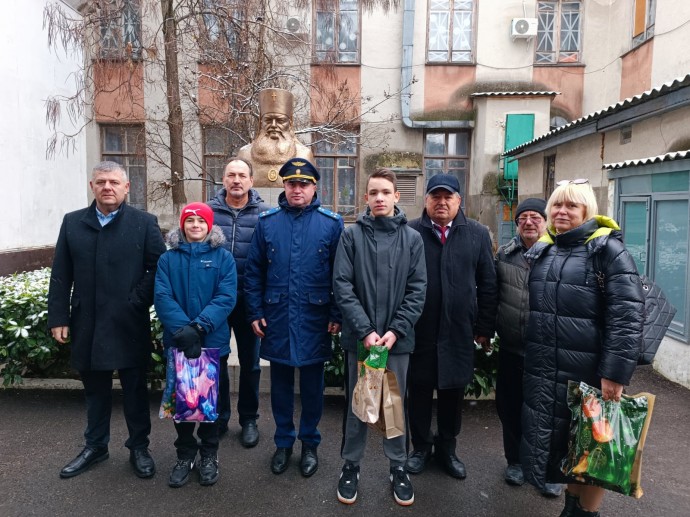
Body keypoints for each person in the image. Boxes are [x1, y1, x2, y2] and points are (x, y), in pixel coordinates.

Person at [522, 180, 645, 517]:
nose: (562, 211)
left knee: (595, 448)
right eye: (557, 205)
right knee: (569, 447)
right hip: (549, 371)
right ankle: (571, 508)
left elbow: (627, 315)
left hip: (590, 374)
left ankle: (587, 513)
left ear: (587, 210)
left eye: (571, 206)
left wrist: (614, 374)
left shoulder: (606, 251)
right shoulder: (547, 249)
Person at [48, 161, 166, 479]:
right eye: (101, 182)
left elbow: (158, 268)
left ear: (127, 187)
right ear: (92, 187)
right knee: (95, 390)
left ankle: (139, 447)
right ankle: (96, 446)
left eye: (114, 182)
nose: (107, 187)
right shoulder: (73, 223)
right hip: (87, 322)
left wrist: (135, 301)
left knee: (135, 390)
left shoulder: (144, 223)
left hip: (129, 322)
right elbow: (61, 273)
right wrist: (58, 317)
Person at [244, 158, 344, 478]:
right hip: (277, 317)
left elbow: (340, 275)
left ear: (314, 187)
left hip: (315, 317)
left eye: (303, 184)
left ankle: (310, 444)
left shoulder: (331, 224)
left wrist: (336, 313)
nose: (297, 189)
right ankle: (284, 443)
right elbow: (253, 272)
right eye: (291, 183)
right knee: (281, 387)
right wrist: (255, 311)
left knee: (313, 387)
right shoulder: (267, 223)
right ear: (284, 186)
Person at [333, 168, 427, 507]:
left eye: (386, 192)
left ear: (396, 196)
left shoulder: (412, 239)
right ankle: (351, 465)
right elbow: (342, 285)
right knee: (358, 404)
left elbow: (417, 290)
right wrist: (365, 331)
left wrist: (395, 330)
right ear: (366, 197)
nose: (379, 198)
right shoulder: (351, 236)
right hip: (362, 341)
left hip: (395, 343)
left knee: (393, 406)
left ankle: (398, 466)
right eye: (373, 192)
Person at [406, 173, 498, 480]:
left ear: (459, 201)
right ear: (426, 200)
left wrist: (484, 327)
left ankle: (447, 449)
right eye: (436, 196)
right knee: (418, 392)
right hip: (419, 330)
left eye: (448, 197)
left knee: (452, 393)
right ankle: (420, 448)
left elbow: (488, 283)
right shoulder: (411, 232)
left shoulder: (477, 234)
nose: (442, 202)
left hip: (459, 331)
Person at [154, 202, 237, 488]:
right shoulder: (168, 259)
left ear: (209, 226)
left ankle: (209, 454)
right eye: (190, 221)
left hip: (211, 343)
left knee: (209, 405)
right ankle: (185, 454)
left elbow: (226, 297)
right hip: (179, 343)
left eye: (201, 221)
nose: (196, 226)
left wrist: (199, 327)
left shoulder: (223, 258)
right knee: (183, 403)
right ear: (182, 225)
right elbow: (162, 296)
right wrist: (183, 331)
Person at [495, 198, 562, 496]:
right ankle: (515, 461)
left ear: (546, 222)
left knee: (549, 413)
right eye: (523, 217)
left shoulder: (560, 254)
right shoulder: (505, 255)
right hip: (512, 347)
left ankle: (550, 471)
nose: (529, 222)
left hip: (548, 352)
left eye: (536, 217)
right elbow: (493, 293)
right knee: (510, 407)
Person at [208, 157, 269, 447]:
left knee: (250, 364)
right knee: (217, 361)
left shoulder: (265, 215)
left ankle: (249, 419)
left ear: (251, 181)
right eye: (231, 175)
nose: (236, 180)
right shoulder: (208, 212)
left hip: (249, 301)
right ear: (223, 179)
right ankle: (220, 417)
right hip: (216, 302)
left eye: (242, 175)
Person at [238, 88, 313, 185]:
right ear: (261, 123)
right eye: (268, 120)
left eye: (280, 121)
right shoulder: (244, 154)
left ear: (290, 124)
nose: (273, 125)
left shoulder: (304, 155)